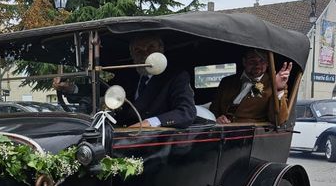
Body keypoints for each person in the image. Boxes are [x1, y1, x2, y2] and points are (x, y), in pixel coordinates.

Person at [53, 34, 196, 128]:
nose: (145, 54)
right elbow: (103, 89)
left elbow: (186, 112)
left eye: (150, 48)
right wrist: (71, 88)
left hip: (156, 142)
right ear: (132, 55)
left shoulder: (176, 76)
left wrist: (151, 123)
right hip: (121, 134)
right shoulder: (128, 76)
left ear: (161, 50)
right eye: (138, 50)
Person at [210, 48, 291, 124]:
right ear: (244, 62)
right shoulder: (227, 81)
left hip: (252, 135)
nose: (257, 65)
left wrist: (278, 89)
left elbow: (278, 120)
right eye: (252, 61)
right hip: (221, 133)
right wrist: (217, 118)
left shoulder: (274, 84)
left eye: (262, 61)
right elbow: (214, 109)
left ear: (267, 63)